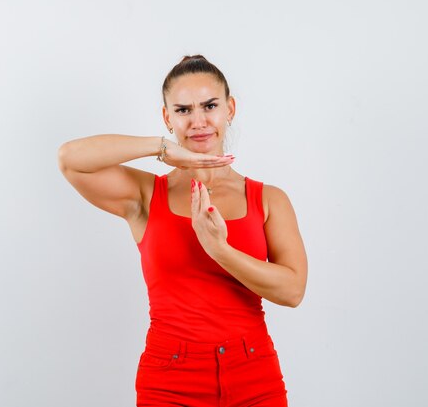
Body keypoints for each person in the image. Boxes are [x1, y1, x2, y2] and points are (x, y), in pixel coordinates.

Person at [57, 55, 308, 406]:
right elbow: (70, 159)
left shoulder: (269, 200)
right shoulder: (146, 195)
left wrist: (220, 249)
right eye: (183, 110)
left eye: (210, 106)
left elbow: (293, 290)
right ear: (167, 117)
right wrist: (160, 149)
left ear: (230, 109)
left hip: (254, 375)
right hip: (170, 379)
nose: (199, 121)